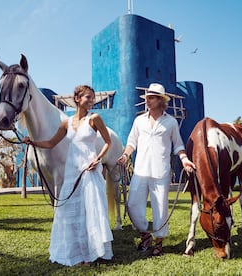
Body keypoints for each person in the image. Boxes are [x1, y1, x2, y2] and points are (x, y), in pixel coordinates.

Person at [22, 85, 113, 266]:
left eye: (92, 98)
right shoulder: (66, 123)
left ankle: (91, 254)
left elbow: (108, 142)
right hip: (71, 172)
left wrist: (98, 158)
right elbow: (51, 143)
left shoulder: (94, 119)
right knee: (70, 213)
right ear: (77, 99)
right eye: (88, 97)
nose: (91, 101)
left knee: (90, 212)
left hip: (90, 171)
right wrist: (32, 142)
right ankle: (75, 254)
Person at [116, 83, 195, 256]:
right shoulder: (139, 120)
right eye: (147, 98)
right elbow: (131, 142)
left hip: (161, 172)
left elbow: (178, 144)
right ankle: (145, 235)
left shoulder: (171, 122)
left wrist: (185, 160)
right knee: (132, 205)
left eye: (151, 98)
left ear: (160, 100)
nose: (147, 101)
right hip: (140, 171)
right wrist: (125, 156)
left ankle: (159, 243)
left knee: (161, 208)